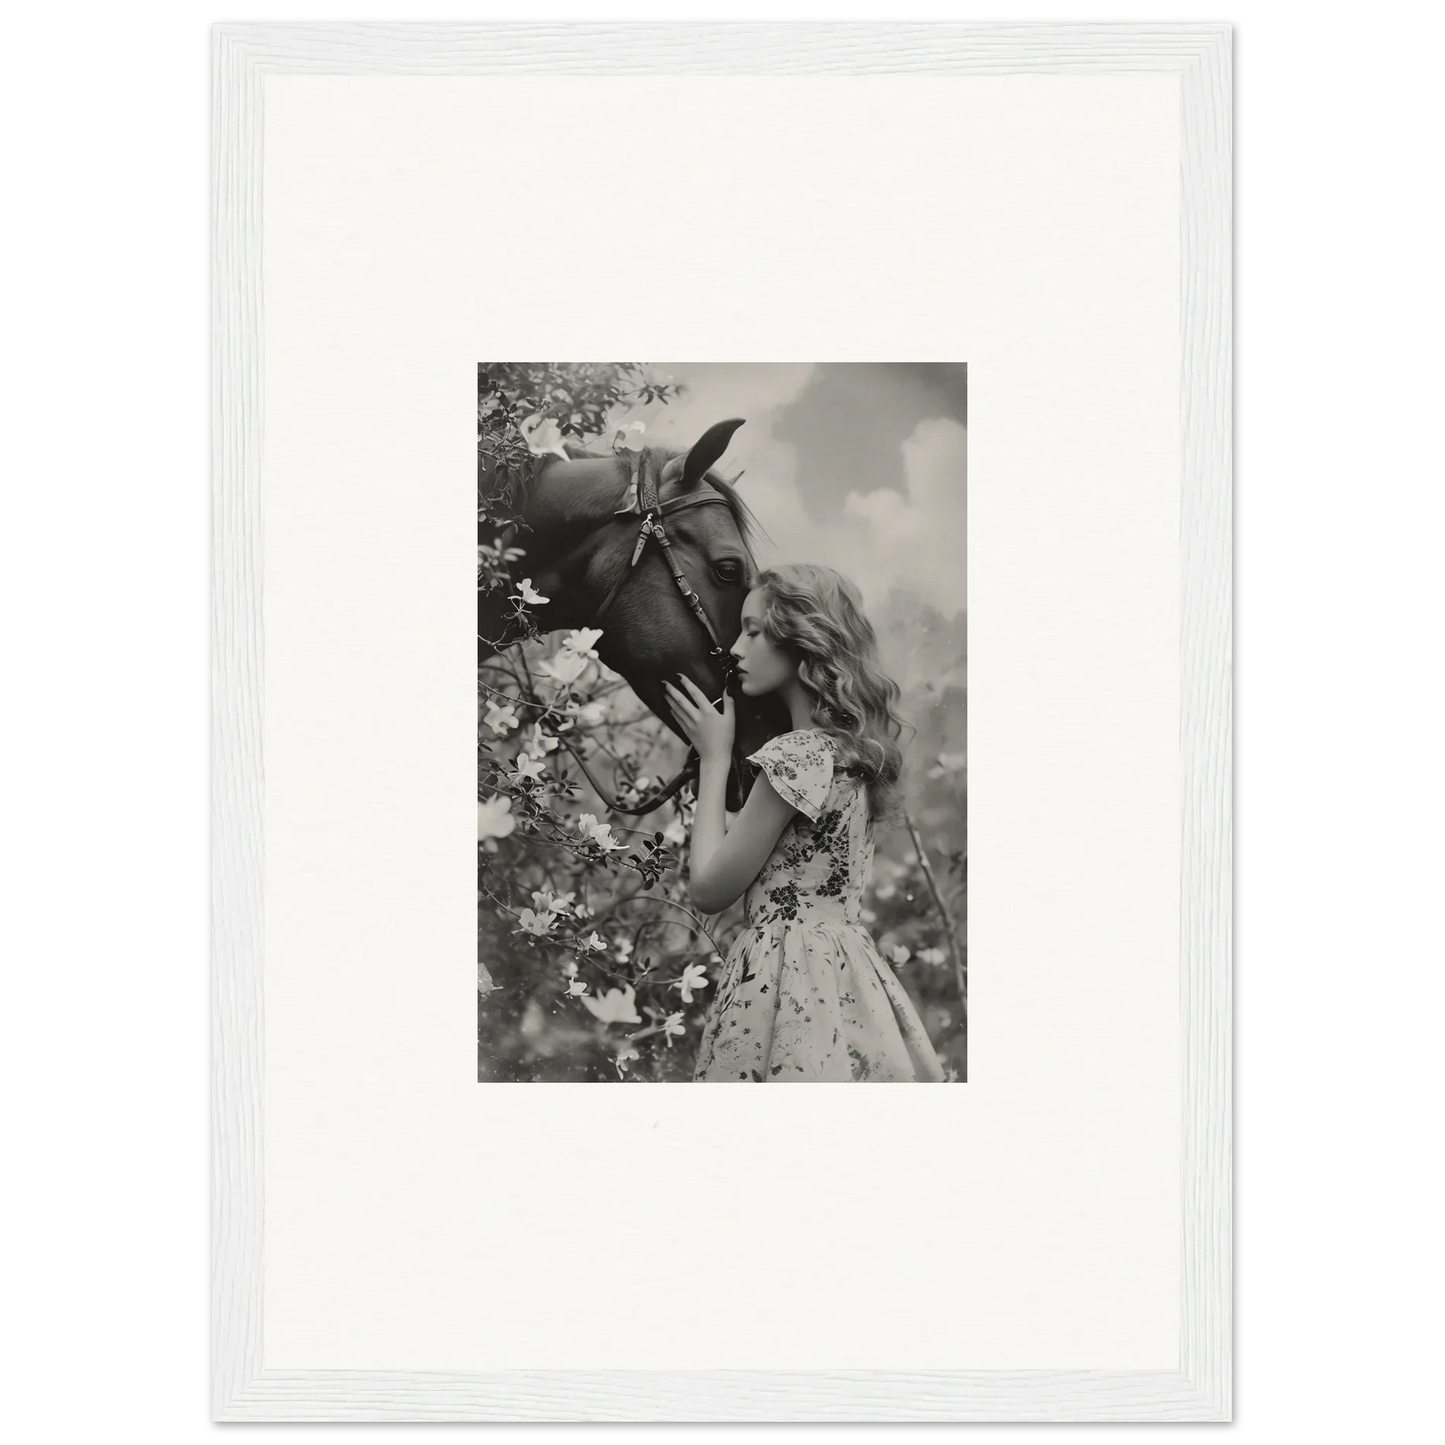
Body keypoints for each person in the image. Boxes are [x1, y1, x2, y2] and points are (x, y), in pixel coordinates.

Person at [662, 563, 946, 1082]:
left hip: (782, 976)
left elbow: (707, 890)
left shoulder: (795, 758)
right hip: (846, 974)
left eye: (752, 631)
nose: (737, 650)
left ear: (802, 639)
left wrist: (714, 756)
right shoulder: (851, 755)